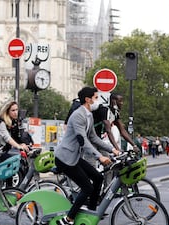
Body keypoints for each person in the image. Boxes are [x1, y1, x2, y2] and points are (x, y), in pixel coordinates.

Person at [54, 87, 120, 225]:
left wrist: (113, 150)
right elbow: (83, 140)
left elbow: (94, 138)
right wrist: (99, 157)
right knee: (87, 188)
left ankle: (91, 211)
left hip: (74, 157)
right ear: (87, 99)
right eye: (95, 98)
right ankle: (68, 219)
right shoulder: (78, 115)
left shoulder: (89, 115)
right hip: (65, 158)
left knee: (98, 177)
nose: (98, 101)